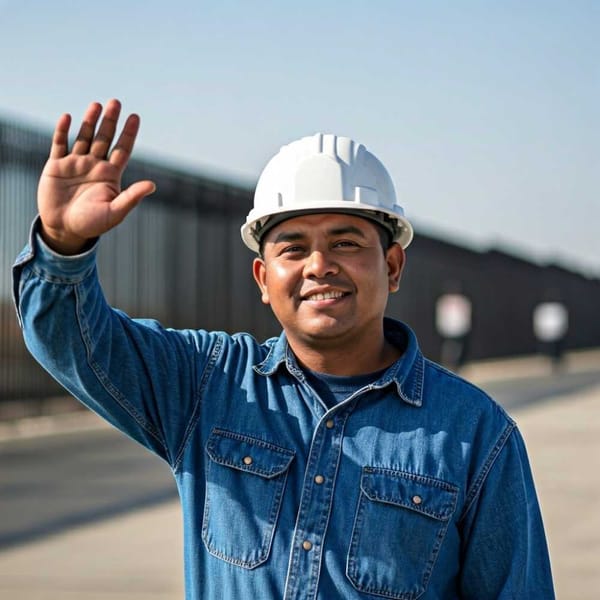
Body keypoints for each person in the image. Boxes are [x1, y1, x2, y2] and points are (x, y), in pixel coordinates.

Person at [13, 99, 555, 599]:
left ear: (391, 267)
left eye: (345, 242)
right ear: (263, 278)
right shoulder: (207, 384)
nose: (319, 265)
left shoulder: (475, 433)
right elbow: (74, 343)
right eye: (293, 248)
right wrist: (64, 246)